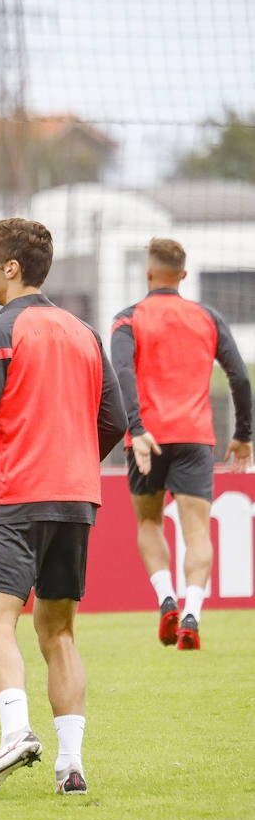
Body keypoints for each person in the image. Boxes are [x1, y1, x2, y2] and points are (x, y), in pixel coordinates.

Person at [0, 218, 125, 799]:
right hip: (77, 499)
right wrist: (76, 459)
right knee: (58, 632)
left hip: (17, 500)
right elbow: (114, 421)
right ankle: (71, 765)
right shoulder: (84, 332)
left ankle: (16, 734)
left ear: (12, 267)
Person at [110, 237, 252, 651]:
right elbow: (240, 377)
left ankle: (165, 599)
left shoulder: (128, 319)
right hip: (194, 436)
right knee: (196, 532)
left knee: (150, 523)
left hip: (147, 439)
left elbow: (121, 373)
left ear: (149, 272)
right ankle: (191, 612)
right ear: (184, 276)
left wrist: (135, 429)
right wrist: (243, 434)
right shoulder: (207, 317)